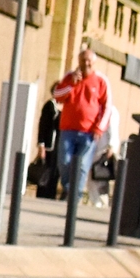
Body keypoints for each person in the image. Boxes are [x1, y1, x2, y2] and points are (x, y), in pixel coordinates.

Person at [51, 45, 109, 209]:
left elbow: (107, 106)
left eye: (89, 61)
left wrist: (99, 128)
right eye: (83, 60)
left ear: (94, 63)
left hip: (89, 132)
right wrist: (72, 84)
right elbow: (58, 96)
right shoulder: (69, 77)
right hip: (68, 129)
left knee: (83, 164)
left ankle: (73, 195)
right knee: (64, 161)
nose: (86, 64)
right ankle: (68, 188)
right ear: (79, 62)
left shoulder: (101, 81)